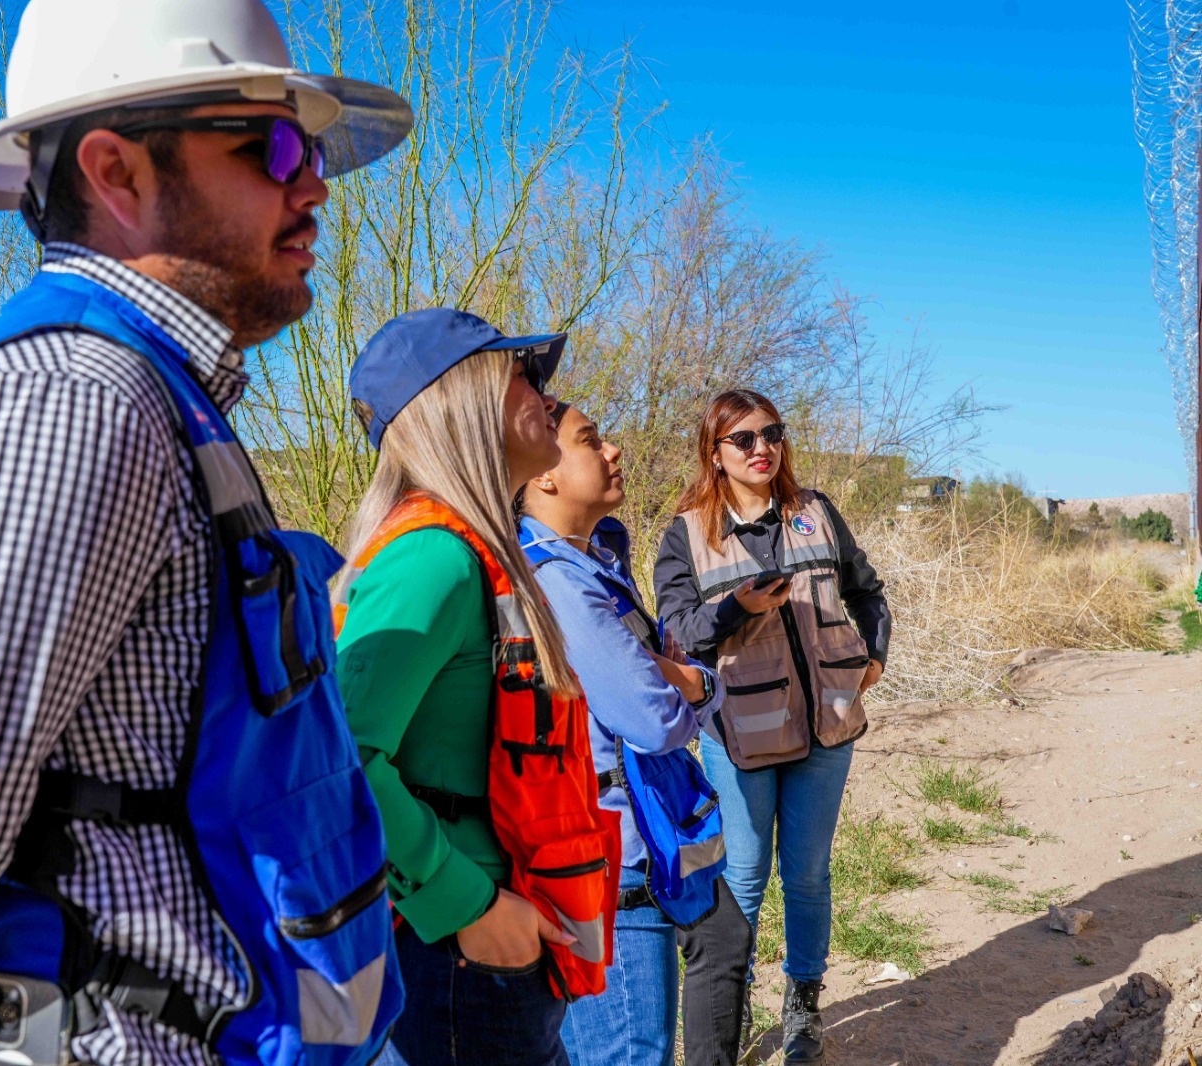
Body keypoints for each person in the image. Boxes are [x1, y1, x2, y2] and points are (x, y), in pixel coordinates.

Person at [0, 1, 414, 1063]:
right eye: (270, 145)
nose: (313, 184)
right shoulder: (72, 396)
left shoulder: (157, 394)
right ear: (116, 172)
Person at [333, 309, 620, 1066]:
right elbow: (341, 760)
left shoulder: (479, 550)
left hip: (492, 950)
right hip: (461, 953)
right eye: (520, 373)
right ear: (457, 399)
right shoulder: (433, 557)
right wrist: (473, 907)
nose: (544, 392)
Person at [653, 389, 891, 1065]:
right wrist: (736, 607)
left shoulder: (815, 511)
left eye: (773, 434)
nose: (764, 449)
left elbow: (867, 589)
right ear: (715, 452)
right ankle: (729, 1015)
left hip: (828, 726)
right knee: (746, 878)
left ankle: (803, 1009)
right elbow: (679, 640)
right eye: (745, 439)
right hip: (741, 737)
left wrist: (873, 655)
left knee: (809, 874)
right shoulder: (685, 536)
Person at [517, 402, 753, 1066]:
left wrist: (683, 679)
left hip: (660, 838)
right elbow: (651, 719)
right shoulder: (560, 584)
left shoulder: (595, 562)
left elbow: (658, 687)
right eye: (591, 441)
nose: (615, 449)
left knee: (725, 941)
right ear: (545, 478)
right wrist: (700, 685)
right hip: (615, 870)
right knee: (628, 1053)